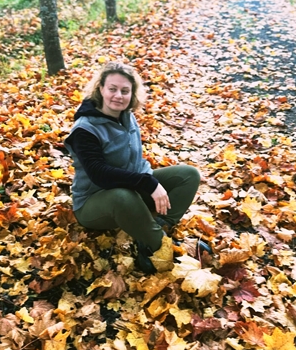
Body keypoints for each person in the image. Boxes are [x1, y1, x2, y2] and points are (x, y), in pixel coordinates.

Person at [64, 61, 211, 274]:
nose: (118, 96)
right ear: (100, 89)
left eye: (125, 91)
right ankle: (162, 247)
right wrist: (148, 183)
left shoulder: (126, 116)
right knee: (122, 196)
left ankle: (154, 230)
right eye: (112, 89)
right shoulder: (85, 129)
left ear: (132, 93)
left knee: (188, 175)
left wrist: (147, 181)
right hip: (93, 203)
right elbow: (99, 174)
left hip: (132, 190)